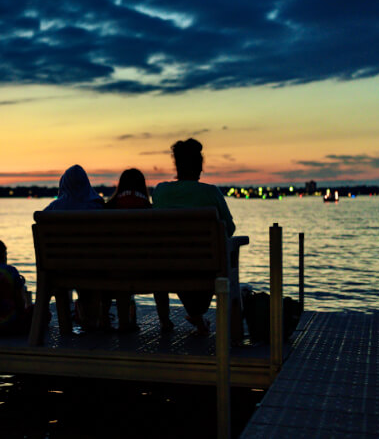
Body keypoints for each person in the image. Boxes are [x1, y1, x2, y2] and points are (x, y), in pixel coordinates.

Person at [152, 139, 240, 339]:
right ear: (200, 165)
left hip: (167, 267)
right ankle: (226, 327)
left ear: (177, 165)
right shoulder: (211, 192)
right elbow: (230, 229)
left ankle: (174, 321)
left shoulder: (161, 191)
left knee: (177, 257)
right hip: (205, 269)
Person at [44, 165, 104, 330]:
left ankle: (65, 325)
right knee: (90, 269)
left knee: (71, 269)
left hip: (60, 269)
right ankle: (91, 321)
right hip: (93, 269)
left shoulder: (53, 209)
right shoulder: (97, 207)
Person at [104, 168, 151, 332]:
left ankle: (112, 320)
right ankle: (165, 321)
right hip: (145, 271)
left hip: (110, 271)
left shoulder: (108, 208)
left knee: (119, 265)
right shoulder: (149, 209)